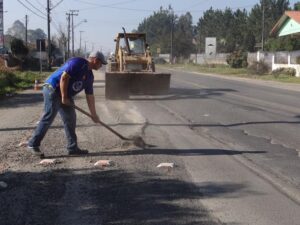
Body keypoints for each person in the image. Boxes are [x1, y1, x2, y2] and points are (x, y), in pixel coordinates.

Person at [27, 51, 107, 155]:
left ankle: (72, 148)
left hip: (65, 95)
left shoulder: (89, 76)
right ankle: (33, 144)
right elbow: (64, 78)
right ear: (96, 60)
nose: (101, 66)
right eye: (101, 63)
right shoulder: (78, 63)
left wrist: (93, 114)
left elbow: (90, 96)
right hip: (53, 89)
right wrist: (64, 97)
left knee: (70, 118)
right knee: (49, 116)